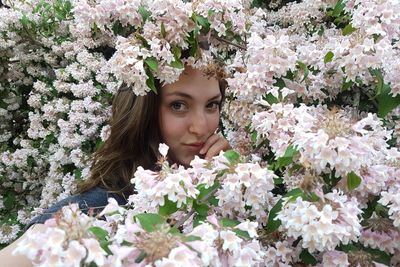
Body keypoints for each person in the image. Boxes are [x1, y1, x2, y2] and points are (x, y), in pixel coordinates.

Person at [0, 65, 230, 266]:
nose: (201, 127)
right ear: (144, 112)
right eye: (178, 105)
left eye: (212, 105)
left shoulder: (217, 185)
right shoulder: (100, 209)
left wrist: (223, 180)